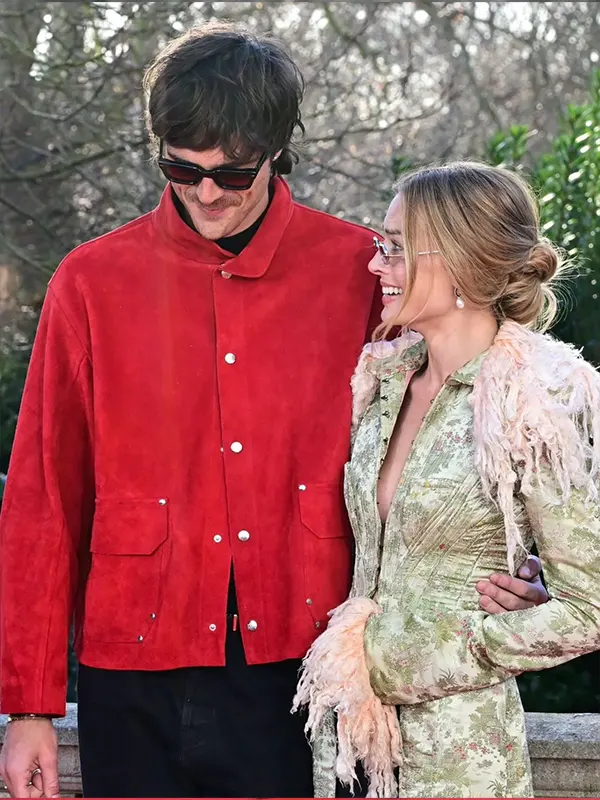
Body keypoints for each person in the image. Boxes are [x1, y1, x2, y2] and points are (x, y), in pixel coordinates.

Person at [0, 26, 547, 800]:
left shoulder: (363, 272)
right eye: (181, 169)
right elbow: (44, 502)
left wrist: (519, 553)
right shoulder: (89, 283)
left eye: (232, 173)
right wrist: (28, 705)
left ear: (278, 151)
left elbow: (462, 414)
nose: (206, 194)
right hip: (132, 671)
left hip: (310, 662)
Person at [293, 161, 600, 799]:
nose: (376, 264)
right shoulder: (383, 379)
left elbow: (589, 607)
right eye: (381, 245)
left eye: (396, 249)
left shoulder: (533, 398)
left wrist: (438, 652)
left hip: (460, 755)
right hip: (350, 744)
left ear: (459, 260)